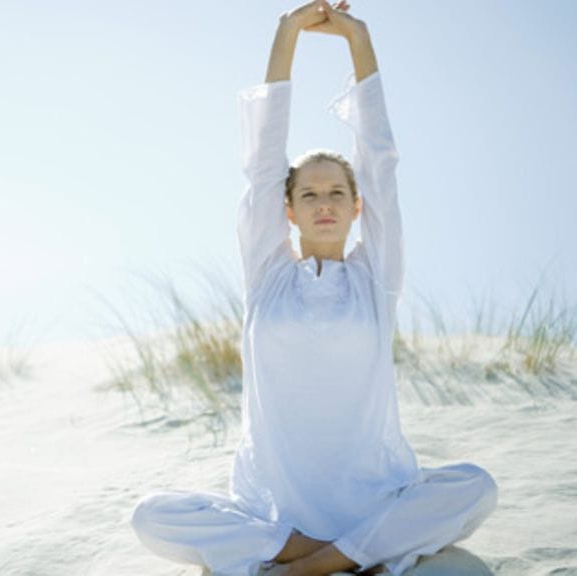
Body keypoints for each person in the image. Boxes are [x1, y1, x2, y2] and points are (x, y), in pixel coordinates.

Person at [129, 2, 498, 575]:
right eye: (308, 195)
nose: (323, 204)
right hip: (278, 513)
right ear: (288, 211)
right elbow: (262, 162)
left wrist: (359, 39)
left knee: (476, 486)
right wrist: (287, 34)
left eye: (335, 194)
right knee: (150, 515)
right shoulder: (267, 277)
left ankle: (310, 567)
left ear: (356, 208)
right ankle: (321, 555)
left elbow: (380, 161)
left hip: (373, 504)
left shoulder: (375, 279)